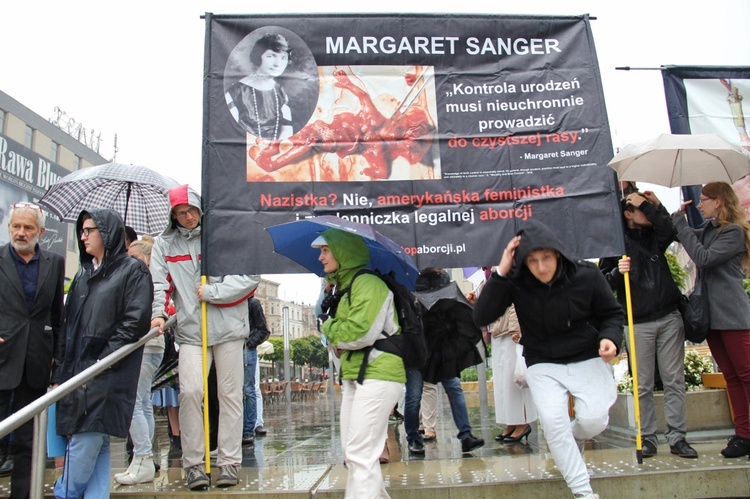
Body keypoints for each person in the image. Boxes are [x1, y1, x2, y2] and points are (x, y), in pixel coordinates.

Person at [473, 219, 623, 499]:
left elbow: (612, 314)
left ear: (557, 253)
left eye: (546, 258)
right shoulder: (516, 282)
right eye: (532, 261)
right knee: (554, 423)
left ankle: (573, 436)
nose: (541, 267)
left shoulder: (587, 274)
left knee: (593, 422)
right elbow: (481, 316)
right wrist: (502, 272)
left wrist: (610, 339)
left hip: (587, 356)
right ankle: (583, 492)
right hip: (543, 361)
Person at [150, 185, 259, 490]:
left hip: (228, 329)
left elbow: (250, 275)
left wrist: (214, 292)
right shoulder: (164, 244)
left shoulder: (224, 234)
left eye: (191, 210)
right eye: (179, 213)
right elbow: (159, 283)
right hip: (191, 331)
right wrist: (157, 313)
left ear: (200, 208)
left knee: (230, 395)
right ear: (172, 216)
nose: (186, 217)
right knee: (190, 392)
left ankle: (228, 461)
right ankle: (194, 463)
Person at [54, 209, 153, 499]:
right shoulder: (83, 274)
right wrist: (61, 372)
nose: (83, 237)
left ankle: (64, 493)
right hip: (80, 371)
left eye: (89, 230)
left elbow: (134, 323)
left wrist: (99, 363)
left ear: (107, 233)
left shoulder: (133, 271)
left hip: (105, 372)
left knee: (88, 437)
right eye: (81, 231)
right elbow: (67, 326)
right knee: (97, 441)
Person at [600, 191, 697, 458]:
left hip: (668, 317)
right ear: (627, 214)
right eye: (639, 208)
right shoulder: (614, 244)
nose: (645, 212)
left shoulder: (656, 235)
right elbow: (603, 284)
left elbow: (670, 227)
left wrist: (652, 205)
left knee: (674, 381)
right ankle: (648, 437)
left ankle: (678, 437)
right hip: (637, 321)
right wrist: (616, 273)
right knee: (642, 384)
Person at [314, 228, 405, 498]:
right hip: (356, 375)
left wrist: (328, 326)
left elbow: (360, 333)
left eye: (325, 250)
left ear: (343, 252)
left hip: (379, 375)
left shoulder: (369, 284)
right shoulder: (347, 286)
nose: (320, 257)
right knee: (354, 454)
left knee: (360, 453)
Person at [672, 181, 750, 458]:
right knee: (732, 377)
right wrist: (663, 212)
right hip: (712, 318)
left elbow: (703, 258)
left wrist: (681, 223)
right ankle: (743, 435)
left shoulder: (733, 232)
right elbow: (685, 237)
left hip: (732, 316)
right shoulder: (710, 229)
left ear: (719, 201)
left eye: (705, 199)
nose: (700, 203)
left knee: (746, 375)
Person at [0, 202, 64, 499]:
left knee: (28, 441)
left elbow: (56, 316)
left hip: (36, 362)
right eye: (16, 226)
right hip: (1, 359)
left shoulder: (54, 262)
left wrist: (58, 362)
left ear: (41, 231)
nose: (21, 233)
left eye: (28, 227)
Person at [405, 268, 484, 456]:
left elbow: (451, 307)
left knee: (454, 388)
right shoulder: (412, 277)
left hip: (441, 346)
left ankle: (466, 435)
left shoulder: (443, 279)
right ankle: (413, 438)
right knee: (414, 394)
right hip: (418, 345)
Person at [115, 239, 166, 485]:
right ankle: (142, 458)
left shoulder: (148, 279)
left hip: (146, 344)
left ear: (146, 257)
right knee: (143, 401)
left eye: (134, 256)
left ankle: (143, 456)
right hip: (150, 345)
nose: (130, 260)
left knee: (134, 400)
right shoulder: (145, 278)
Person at [225, 32, 294, 140]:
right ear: (258, 56)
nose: (277, 63)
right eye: (271, 56)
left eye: (283, 58)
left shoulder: (280, 92)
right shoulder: (235, 93)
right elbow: (233, 133)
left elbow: (287, 129)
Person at [242, 297, 270, 445]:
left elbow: (263, 330)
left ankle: (248, 429)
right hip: (235, 347)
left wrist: (249, 344)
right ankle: (242, 428)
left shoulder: (252, 303)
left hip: (247, 349)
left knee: (249, 389)